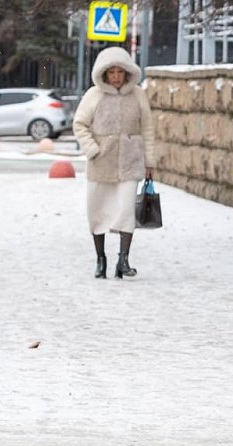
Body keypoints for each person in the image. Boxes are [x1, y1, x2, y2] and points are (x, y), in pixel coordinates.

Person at [73, 47, 155, 279]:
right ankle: (101, 258)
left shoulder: (138, 94)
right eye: (112, 72)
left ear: (128, 72)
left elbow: (147, 128)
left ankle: (124, 259)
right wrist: (92, 150)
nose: (116, 76)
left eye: (120, 71)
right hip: (101, 162)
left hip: (130, 161)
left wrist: (150, 161)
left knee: (127, 209)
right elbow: (79, 124)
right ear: (104, 73)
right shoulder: (93, 95)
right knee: (97, 212)